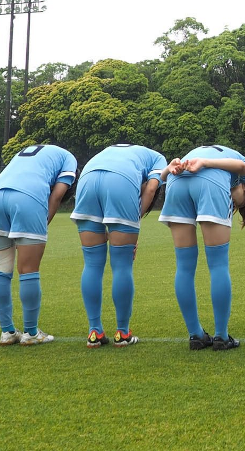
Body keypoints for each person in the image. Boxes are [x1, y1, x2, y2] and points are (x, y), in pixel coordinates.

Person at [159, 144, 245, 350]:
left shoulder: (200, 151)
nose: (235, 203)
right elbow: (241, 166)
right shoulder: (240, 164)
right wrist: (205, 163)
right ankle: (221, 337)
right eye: (240, 203)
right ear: (244, 186)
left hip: (176, 183)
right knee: (218, 265)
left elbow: (162, 177)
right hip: (209, 184)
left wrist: (171, 167)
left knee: (184, 267)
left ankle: (196, 335)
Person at [0, 142, 78, 345]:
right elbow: (58, 194)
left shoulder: (30, 153)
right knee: (28, 270)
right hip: (27, 198)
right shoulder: (69, 158)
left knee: (0, 269)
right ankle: (31, 333)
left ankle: (7, 332)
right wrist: (42, 224)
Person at [71, 143, 167, 347]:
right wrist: (133, 223)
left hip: (88, 177)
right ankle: (122, 333)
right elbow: (150, 188)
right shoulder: (158, 159)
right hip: (120, 181)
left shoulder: (120, 151)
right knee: (122, 265)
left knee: (92, 264)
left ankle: (94, 332)